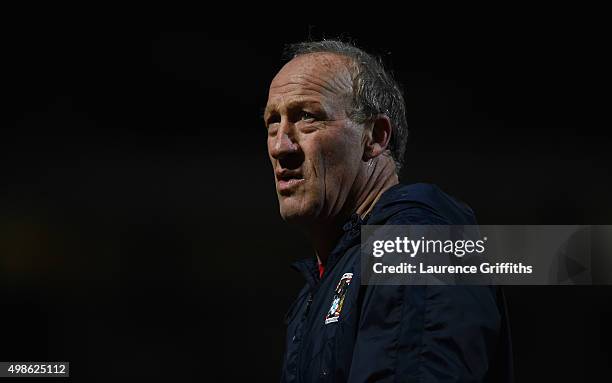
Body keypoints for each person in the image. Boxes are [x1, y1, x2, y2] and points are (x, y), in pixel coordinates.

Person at [264, 40, 513, 383]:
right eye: (272, 123)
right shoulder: (323, 285)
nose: (281, 145)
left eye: (307, 117)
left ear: (375, 137)